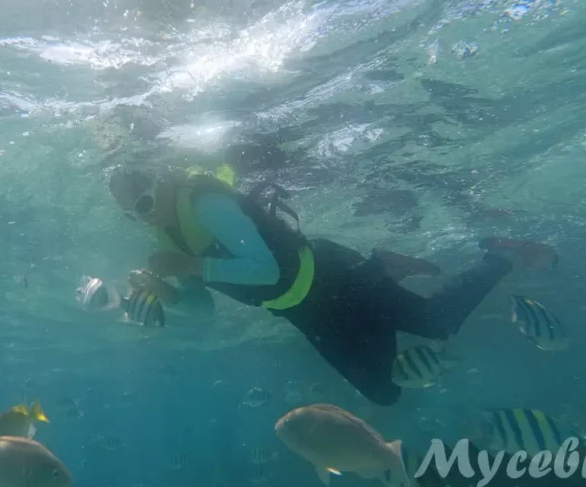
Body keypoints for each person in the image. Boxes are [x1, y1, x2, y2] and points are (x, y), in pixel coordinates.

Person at [107, 166, 559, 406]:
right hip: (304, 312)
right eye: (133, 216)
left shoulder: (203, 202)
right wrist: (168, 295)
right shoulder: (169, 235)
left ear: (159, 182)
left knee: (436, 323)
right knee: (386, 393)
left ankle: (502, 254)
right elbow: (202, 309)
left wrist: (189, 265)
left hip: (329, 274)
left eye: (145, 203)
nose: (146, 217)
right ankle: (382, 266)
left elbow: (263, 270)